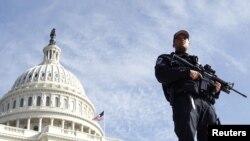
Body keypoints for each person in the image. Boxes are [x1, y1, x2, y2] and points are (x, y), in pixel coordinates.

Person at [155, 30, 221, 141]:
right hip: (186, 99)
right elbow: (161, 74)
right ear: (173, 44)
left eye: (185, 38)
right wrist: (186, 72)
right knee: (187, 136)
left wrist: (216, 89)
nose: (182, 39)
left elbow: (211, 92)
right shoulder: (166, 58)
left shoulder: (200, 66)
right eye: (178, 38)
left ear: (189, 43)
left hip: (207, 105)